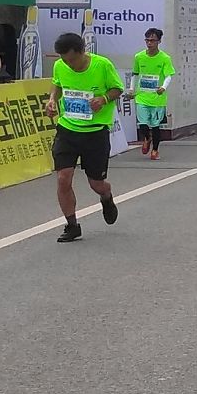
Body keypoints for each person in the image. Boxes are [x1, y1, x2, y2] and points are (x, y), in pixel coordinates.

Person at [48, 31, 123, 243]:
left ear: (82, 51)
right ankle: (72, 225)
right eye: (65, 60)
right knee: (63, 178)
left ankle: (106, 198)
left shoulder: (102, 65)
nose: (69, 64)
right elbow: (57, 85)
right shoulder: (60, 66)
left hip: (95, 132)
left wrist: (104, 98)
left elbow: (118, 88)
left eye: (72, 59)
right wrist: (52, 100)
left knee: (96, 183)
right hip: (67, 129)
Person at [130, 26, 175, 160]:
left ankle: (155, 150)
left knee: (155, 125)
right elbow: (135, 73)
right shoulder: (139, 56)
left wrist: (163, 87)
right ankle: (147, 137)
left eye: (153, 40)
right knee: (143, 123)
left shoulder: (165, 58)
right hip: (142, 95)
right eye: (147, 40)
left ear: (159, 42)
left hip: (157, 97)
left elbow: (168, 75)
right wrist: (132, 89)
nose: (150, 43)